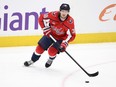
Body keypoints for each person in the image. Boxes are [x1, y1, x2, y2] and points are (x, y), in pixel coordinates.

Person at [24, 3, 76, 68]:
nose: (64, 13)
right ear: (60, 10)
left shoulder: (70, 21)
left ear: (68, 12)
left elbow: (72, 35)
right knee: (39, 49)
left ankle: (50, 59)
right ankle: (32, 60)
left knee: (51, 52)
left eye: (66, 11)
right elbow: (41, 18)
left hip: (60, 39)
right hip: (50, 34)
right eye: (62, 11)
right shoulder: (53, 14)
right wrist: (45, 29)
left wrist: (65, 44)